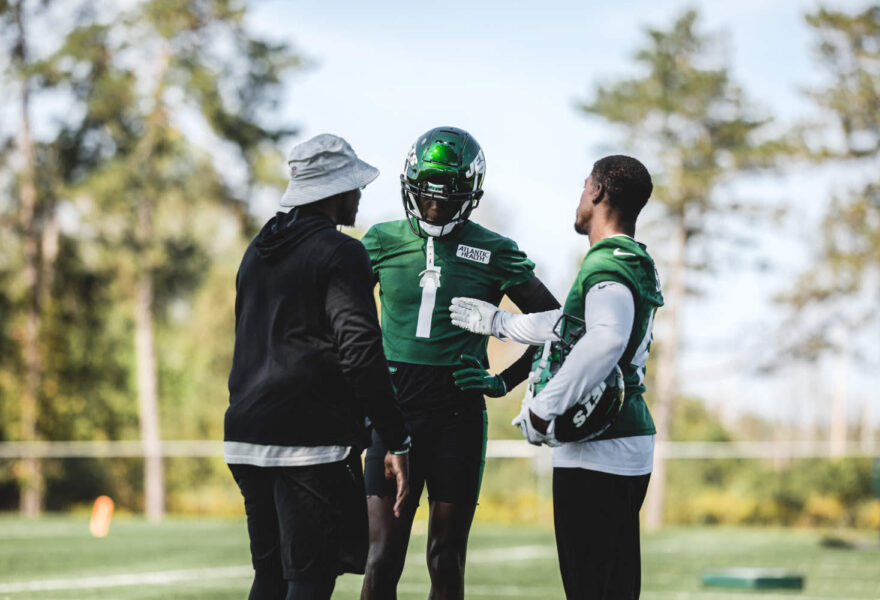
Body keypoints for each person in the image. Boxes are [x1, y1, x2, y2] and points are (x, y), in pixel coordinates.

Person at [449, 155, 663, 600]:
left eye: (584, 186)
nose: (580, 197)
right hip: (624, 440)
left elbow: (605, 337)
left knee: (593, 590)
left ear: (597, 192)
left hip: (599, 446)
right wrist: (500, 323)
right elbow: (572, 324)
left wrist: (544, 408)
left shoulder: (605, 264)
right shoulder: (633, 258)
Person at [359, 126, 559, 600]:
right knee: (382, 555)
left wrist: (504, 380)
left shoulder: (495, 249)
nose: (434, 206)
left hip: (457, 416)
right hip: (393, 412)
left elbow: (557, 324)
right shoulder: (381, 239)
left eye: (446, 198)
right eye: (427, 195)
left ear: (469, 197)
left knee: (446, 558)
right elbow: (342, 322)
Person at [224, 133, 411, 600]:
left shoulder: (257, 249)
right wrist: (395, 436)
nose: (360, 194)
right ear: (335, 191)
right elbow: (361, 351)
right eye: (355, 185)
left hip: (245, 436)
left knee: (269, 577)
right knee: (309, 580)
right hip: (307, 444)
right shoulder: (341, 251)